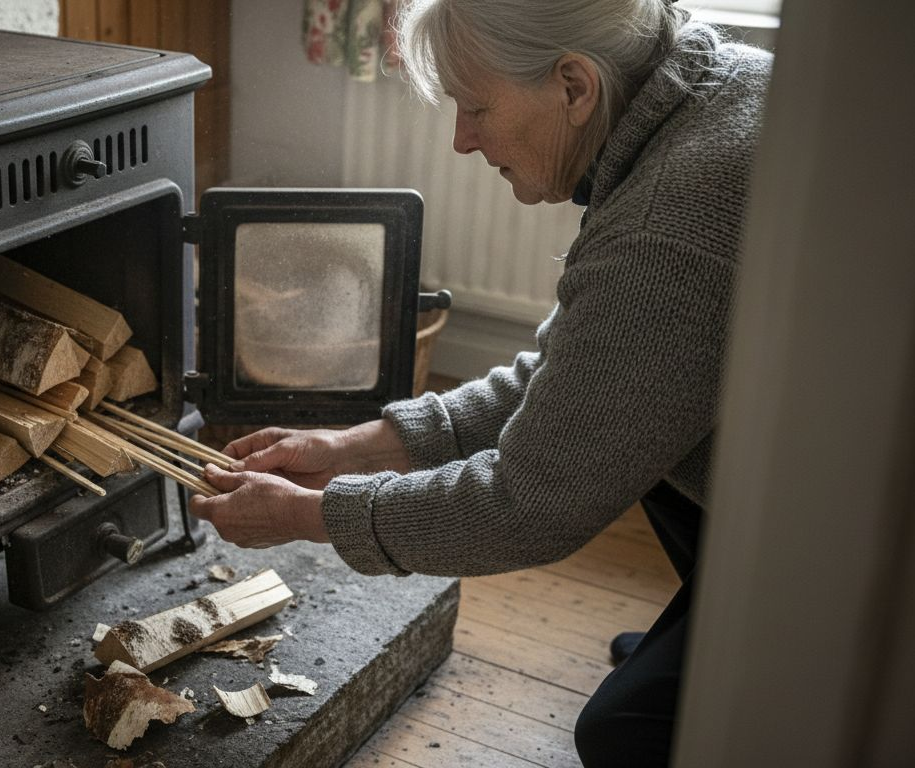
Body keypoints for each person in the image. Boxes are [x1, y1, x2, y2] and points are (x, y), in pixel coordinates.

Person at [190, 0, 772, 765]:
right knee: (636, 438)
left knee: (623, 732)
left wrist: (308, 514)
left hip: (855, 542)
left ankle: (753, 656)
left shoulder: (665, 227)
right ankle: (706, 630)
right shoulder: (712, 93)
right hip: (795, 460)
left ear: (574, 86)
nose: (462, 139)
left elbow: (525, 505)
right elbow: (579, 382)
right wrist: (355, 447)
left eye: (477, 107)